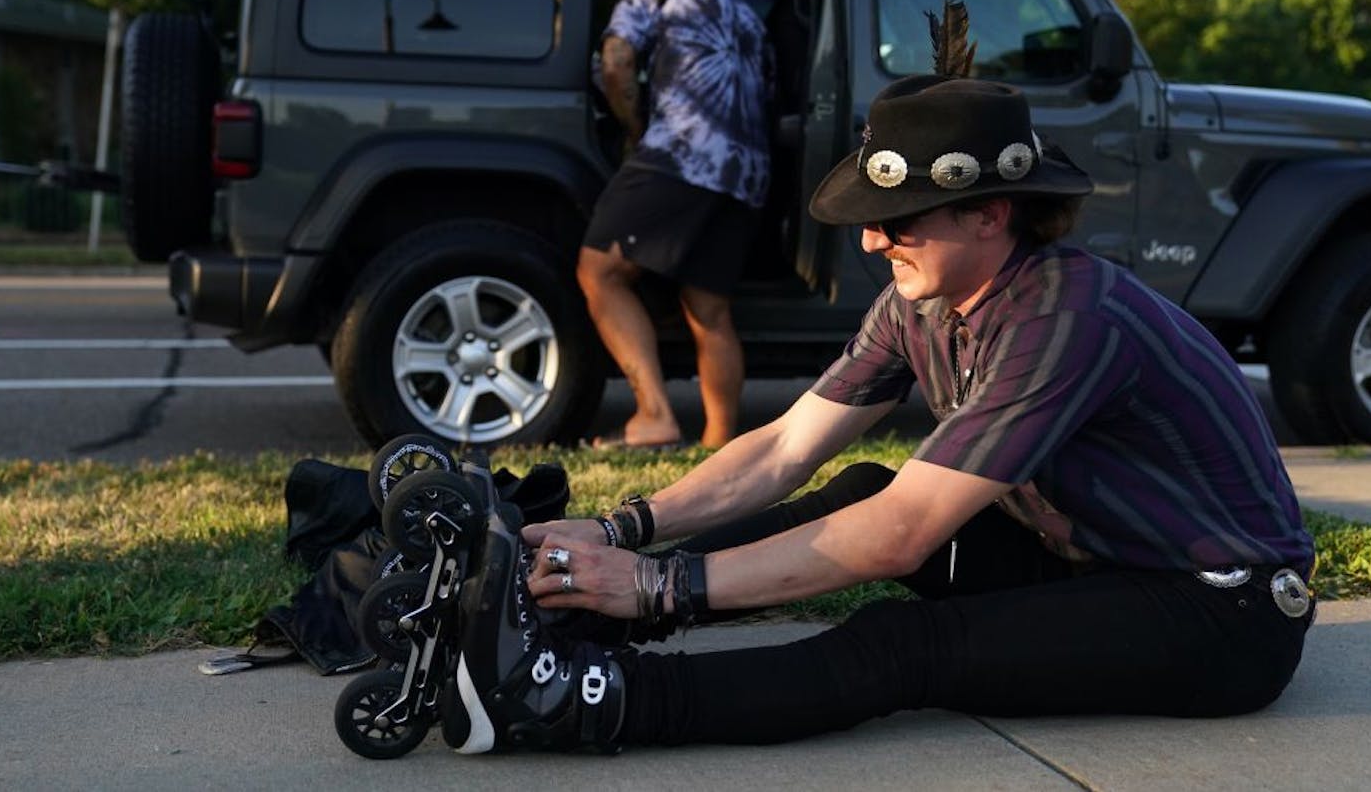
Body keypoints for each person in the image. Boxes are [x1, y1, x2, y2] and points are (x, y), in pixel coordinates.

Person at [438, 72, 1316, 753]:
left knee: (905, 645)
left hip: (1220, 615)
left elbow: (901, 536)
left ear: (992, 214)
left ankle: (582, 706)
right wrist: (617, 534)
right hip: (1092, 561)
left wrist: (663, 585)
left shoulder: (1064, 317)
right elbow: (787, 447)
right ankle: (560, 615)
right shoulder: (924, 297)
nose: (869, 239)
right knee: (855, 480)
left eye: (898, 219)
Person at [579, 0, 774, 450]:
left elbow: (617, 59)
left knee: (599, 271)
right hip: (747, 171)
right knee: (709, 307)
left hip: (680, 156)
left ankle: (655, 415)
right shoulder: (748, 15)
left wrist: (634, 130)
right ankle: (719, 440)